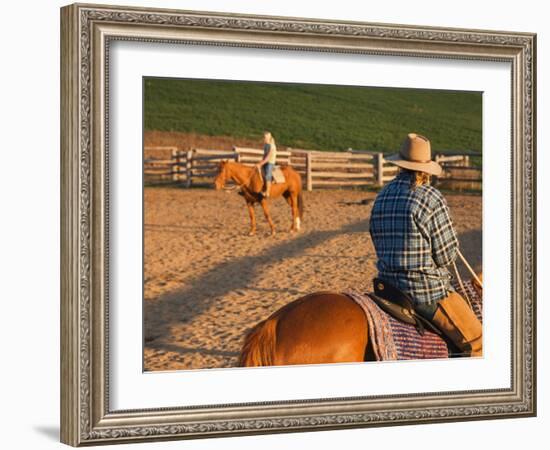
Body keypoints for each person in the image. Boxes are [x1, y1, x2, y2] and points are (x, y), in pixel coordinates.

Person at [369, 133, 482, 357]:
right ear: (426, 168)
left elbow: (375, 237)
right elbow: (446, 257)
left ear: (400, 164)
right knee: (481, 344)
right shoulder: (431, 197)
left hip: (387, 287)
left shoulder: (382, 196)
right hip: (425, 292)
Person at [256, 131, 277, 198]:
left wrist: (261, 163)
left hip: (270, 162)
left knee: (268, 174)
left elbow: (268, 158)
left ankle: (267, 192)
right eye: (264, 137)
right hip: (265, 161)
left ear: (268, 138)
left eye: (265, 137)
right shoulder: (266, 145)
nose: (264, 139)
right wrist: (260, 162)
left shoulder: (272, 146)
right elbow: (264, 155)